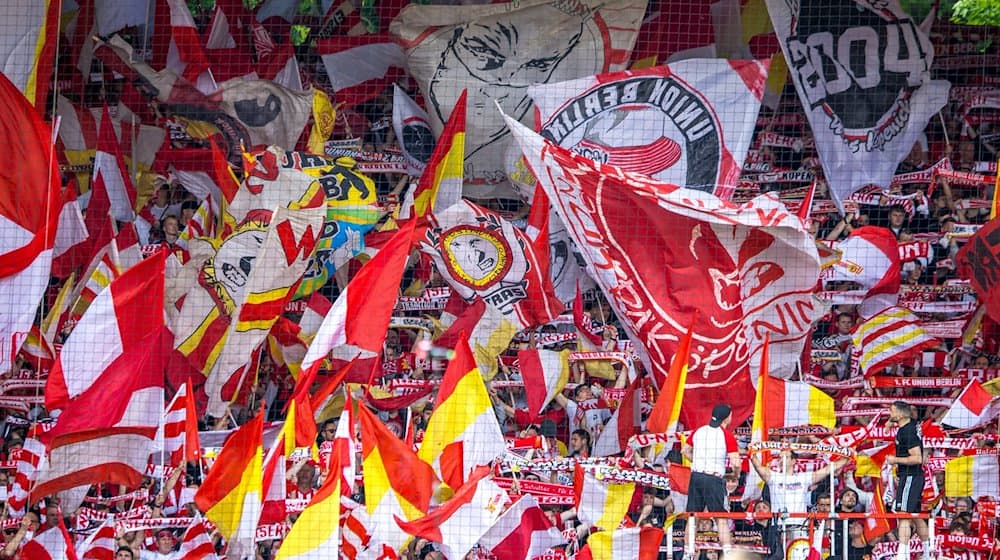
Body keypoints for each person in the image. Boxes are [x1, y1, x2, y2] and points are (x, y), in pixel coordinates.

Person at [682, 403, 740, 558]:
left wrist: (697, 461)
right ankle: (727, 553)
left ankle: (687, 553)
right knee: (720, 516)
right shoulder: (726, 435)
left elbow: (684, 450)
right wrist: (736, 474)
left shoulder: (699, 431)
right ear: (727, 417)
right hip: (713, 478)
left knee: (693, 516)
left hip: (696, 476)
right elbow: (736, 461)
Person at [750, 448, 846, 539]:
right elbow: (758, 466)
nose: (782, 460)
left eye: (785, 457)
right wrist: (752, 452)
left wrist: (846, 459)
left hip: (799, 526)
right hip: (778, 526)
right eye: (780, 458)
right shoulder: (773, 477)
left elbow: (827, 470)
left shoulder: (803, 478)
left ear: (793, 461)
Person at [885, 400, 930, 560]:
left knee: (903, 514)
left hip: (910, 476)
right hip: (914, 477)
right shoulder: (911, 424)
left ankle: (902, 554)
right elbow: (900, 416)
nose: (889, 414)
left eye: (891, 411)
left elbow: (917, 458)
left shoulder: (907, 432)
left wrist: (894, 459)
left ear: (899, 413)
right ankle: (927, 554)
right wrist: (889, 423)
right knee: (916, 516)